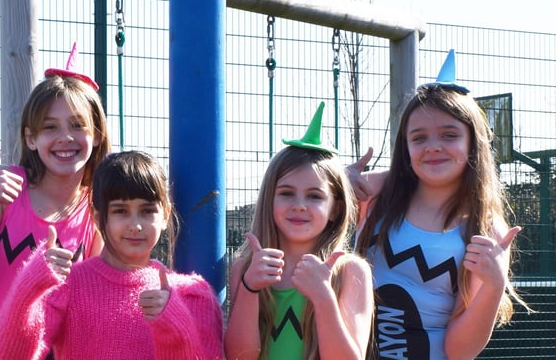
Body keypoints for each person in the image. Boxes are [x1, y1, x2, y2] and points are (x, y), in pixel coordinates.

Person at [354, 49, 529, 359]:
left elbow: (460, 351)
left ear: (472, 143)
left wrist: (493, 285)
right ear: (405, 147)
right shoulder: (380, 193)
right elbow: (319, 195)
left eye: (449, 135)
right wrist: (337, 178)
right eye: (419, 137)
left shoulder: (486, 230)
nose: (433, 147)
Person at [0, 43, 111, 359]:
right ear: (30, 139)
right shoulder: (5, 191)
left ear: (96, 135)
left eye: (78, 125)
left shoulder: (98, 209)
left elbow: (92, 310)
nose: (65, 137)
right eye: (50, 127)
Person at [0, 150, 224, 360]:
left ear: (165, 215)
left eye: (147, 211)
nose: (136, 225)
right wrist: (30, 286)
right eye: (120, 211)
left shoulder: (192, 295)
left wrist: (175, 325)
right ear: (98, 217)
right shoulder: (69, 286)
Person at [224, 102, 374, 360]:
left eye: (315, 196)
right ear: (269, 199)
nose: (299, 206)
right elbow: (240, 356)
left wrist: (323, 297)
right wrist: (250, 288)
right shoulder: (246, 269)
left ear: (336, 210)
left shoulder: (351, 272)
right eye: (286, 193)